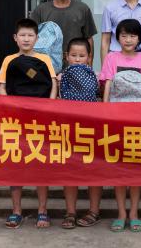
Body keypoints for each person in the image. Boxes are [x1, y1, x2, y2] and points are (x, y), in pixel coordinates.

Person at [0, 18, 57, 229]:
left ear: (37, 38)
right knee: (15, 165)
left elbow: (53, 85)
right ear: (15, 38)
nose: (26, 39)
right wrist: (10, 108)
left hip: (41, 120)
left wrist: (49, 108)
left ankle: (42, 210)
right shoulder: (9, 60)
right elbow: (2, 87)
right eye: (22, 35)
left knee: (40, 165)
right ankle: (16, 211)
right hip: (15, 121)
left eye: (30, 35)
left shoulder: (45, 59)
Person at [100, 19, 141, 233]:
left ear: (139, 39)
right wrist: (105, 111)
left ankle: (134, 213)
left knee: (135, 169)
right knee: (119, 169)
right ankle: (121, 213)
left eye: (132, 36)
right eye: (124, 35)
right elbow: (108, 85)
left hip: (138, 121)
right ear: (118, 38)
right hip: (116, 119)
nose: (128, 40)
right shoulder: (111, 58)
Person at [50, 38, 103, 229]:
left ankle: (94, 211)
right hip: (68, 129)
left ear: (89, 57)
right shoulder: (60, 77)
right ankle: (70, 212)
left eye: (82, 56)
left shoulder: (96, 76)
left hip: (91, 129)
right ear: (66, 56)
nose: (78, 59)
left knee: (93, 170)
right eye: (74, 55)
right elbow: (54, 102)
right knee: (70, 171)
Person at [30, 0, 97, 67]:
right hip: (46, 66)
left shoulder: (82, 9)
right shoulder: (41, 10)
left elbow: (89, 38)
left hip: (76, 66)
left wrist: (89, 65)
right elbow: (31, 38)